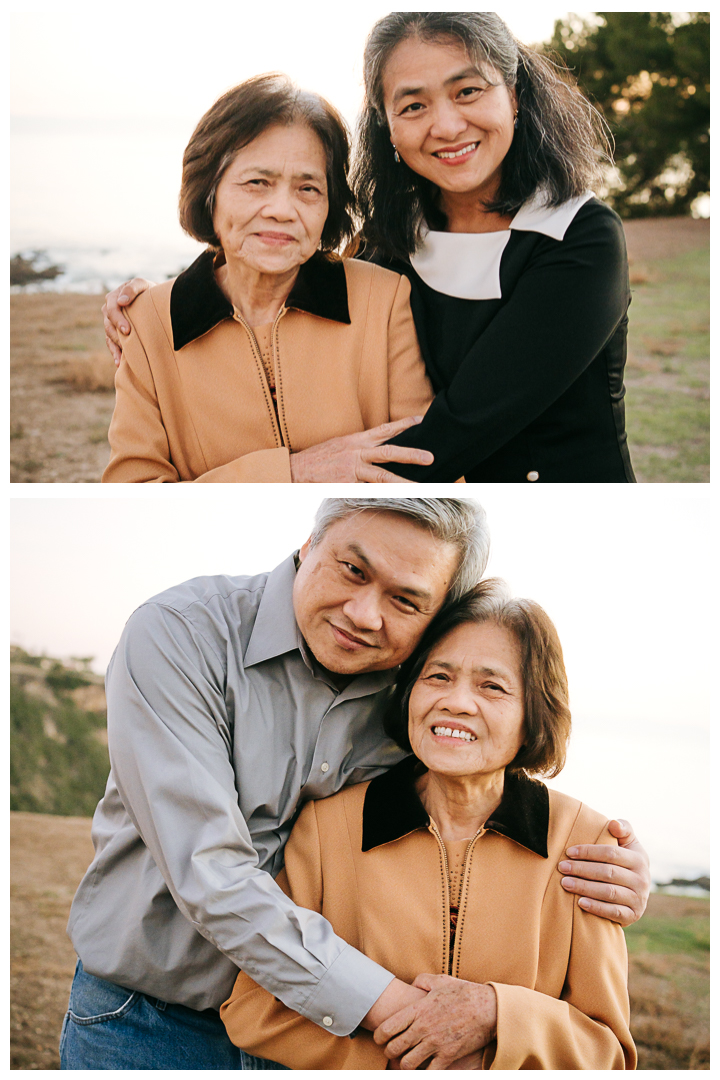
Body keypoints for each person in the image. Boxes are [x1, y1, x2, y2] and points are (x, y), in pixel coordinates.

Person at [60, 498, 649, 1070]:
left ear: (434, 614)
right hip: (149, 1018)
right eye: (353, 570)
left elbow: (480, 769)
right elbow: (208, 871)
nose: (365, 614)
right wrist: (423, 1023)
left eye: (405, 599)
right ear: (308, 544)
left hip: (321, 1034)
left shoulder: (417, 689)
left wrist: (620, 864)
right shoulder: (181, 635)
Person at [104, 13, 635, 483]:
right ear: (388, 127)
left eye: (468, 91)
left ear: (514, 97)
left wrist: (298, 475)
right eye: (413, 104)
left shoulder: (578, 237)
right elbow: (278, 257)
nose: (446, 124)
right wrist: (169, 305)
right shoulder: (392, 243)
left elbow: (461, 428)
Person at [221, 582, 637, 1069]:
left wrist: (499, 1014)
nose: (456, 702)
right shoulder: (327, 827)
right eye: (438, 676)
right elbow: (254, 1012)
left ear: (534, 713)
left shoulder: (586, 842)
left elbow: (607, 1051)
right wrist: (412, 1061)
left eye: (492, 686)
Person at [102, 74, 435, 483]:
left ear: (329, 206)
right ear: (210, 191)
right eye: (257, 183)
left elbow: (423, 464)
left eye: (308, 188)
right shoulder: (147, 323)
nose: (282, 209)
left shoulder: (384, 299)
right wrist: (292, 472)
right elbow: (133, 493)